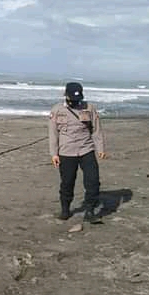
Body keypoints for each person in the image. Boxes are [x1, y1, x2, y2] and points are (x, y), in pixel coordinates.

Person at [48, 82, 107, 223]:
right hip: (66, 152)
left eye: (78, 99)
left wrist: (101, 148)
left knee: (93, 181)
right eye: (73, 99)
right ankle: (65, 210)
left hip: (86, 150)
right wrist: (54, 154)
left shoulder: (89, 108)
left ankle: (90, 211)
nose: (76, 102)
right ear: (66, 95)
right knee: (67, 183)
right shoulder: (57, 110)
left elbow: (96, 130)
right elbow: (53, 133)